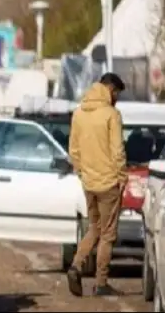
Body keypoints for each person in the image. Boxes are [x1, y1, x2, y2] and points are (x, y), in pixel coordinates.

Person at [66, 72, 127, 298]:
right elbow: (118, 151)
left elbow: (74, 150)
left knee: (94, 228)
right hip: (109, 183)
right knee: (108, 235)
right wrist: (122, 176)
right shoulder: (112, 115)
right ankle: (101, 282)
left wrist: (83, 172)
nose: (117, 98)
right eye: (117, 93)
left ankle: (76, 265)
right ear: (111, 90)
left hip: (89, 182)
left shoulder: (79, 113)